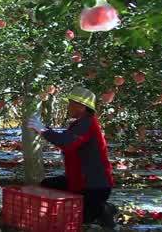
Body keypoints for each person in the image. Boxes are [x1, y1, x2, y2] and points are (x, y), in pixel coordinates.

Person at [31, 87, 117, 229]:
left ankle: (104, 210)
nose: (68, 107)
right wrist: (44, 129)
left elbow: (67, 142)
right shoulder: (80, 123)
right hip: (78, 180)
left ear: (82, 107)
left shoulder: (87, 123)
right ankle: (98, 208)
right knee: (47, 185)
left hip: (94, 186)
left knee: (83, 218)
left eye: (71, 103)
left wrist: (43, 130)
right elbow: (66, 139)